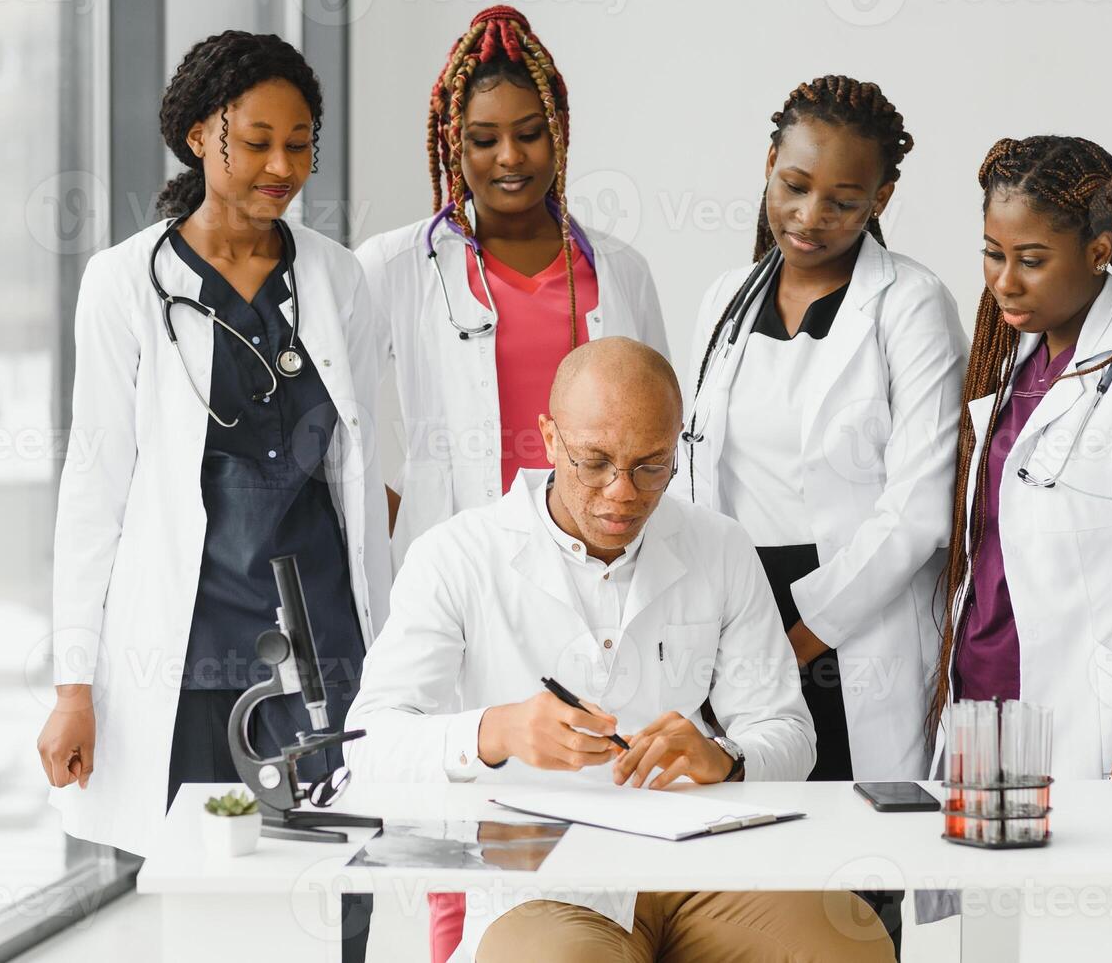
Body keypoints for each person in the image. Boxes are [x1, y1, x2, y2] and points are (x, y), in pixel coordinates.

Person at [345, 337, 895, 963]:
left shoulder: (718, 546)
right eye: (595, 462)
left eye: (650, 465)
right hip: (543, 873)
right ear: (550, 438)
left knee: (848, 943)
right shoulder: (455, 556)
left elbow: (789, 733)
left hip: (699, 860)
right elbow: (368, 746)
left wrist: (727, 758)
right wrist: (498, 731)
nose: (622, 493)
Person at [34, 30, 387, 956]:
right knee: (210, 889)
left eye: (302, 142)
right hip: (193, 643)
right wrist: (75, 682)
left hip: (326, 629)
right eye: (257, 140)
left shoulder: (337, 276)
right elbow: (95, 486)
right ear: (198, 136)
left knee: (340, 877)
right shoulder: (124, 283)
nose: (283, 165)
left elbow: (368, 471)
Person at [676, 75, 968, 950]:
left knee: (853, 873)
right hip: (735, 603)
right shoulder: (726, 297)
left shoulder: (911, 305)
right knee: (749, 863)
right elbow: (696, 473)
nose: (809, 217)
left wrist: (799, 631)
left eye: (844, 201)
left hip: (846, 619)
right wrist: (720, 624)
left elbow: (919, 506)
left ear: (883, 197)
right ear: (769, 164)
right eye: (794, 187)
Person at [929, 134, 1112, 926]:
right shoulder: (1008, 362)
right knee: (983, 937)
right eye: (992, 254)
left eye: (1031, 257)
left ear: (1098, 250)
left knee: (1093, 934)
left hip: (1094, 732)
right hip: (988, 710)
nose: (1003, 282)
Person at [357, 4, 668, 564]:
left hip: (595, 553)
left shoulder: (621, 270)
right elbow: (330, 414)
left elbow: (661, 427)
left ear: (559, 132)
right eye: (483, 139)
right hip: (460, 557)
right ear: (455, 145)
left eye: (529, 134)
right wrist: (398, 517)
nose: (509, 157)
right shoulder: (396, 265)